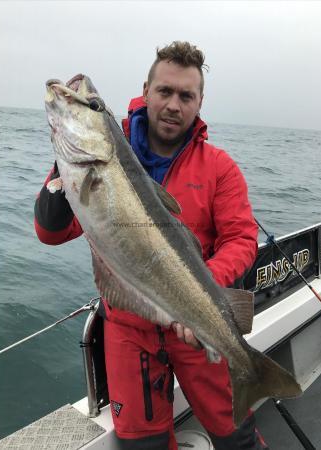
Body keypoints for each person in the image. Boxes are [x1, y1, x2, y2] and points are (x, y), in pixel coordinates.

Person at [35, 41, 267, 450]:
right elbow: (51, 233)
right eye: (164, 91)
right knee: (144, 446)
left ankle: (250, 375)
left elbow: (242, 238)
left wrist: (202, 292)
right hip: (129, 330)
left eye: (185, 95)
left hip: (199, 326)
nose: (174, 104)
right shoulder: (100, 156)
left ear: (199, 102)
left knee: (237, 439)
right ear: (146, 90)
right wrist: (63, 164)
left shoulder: (219, 168)